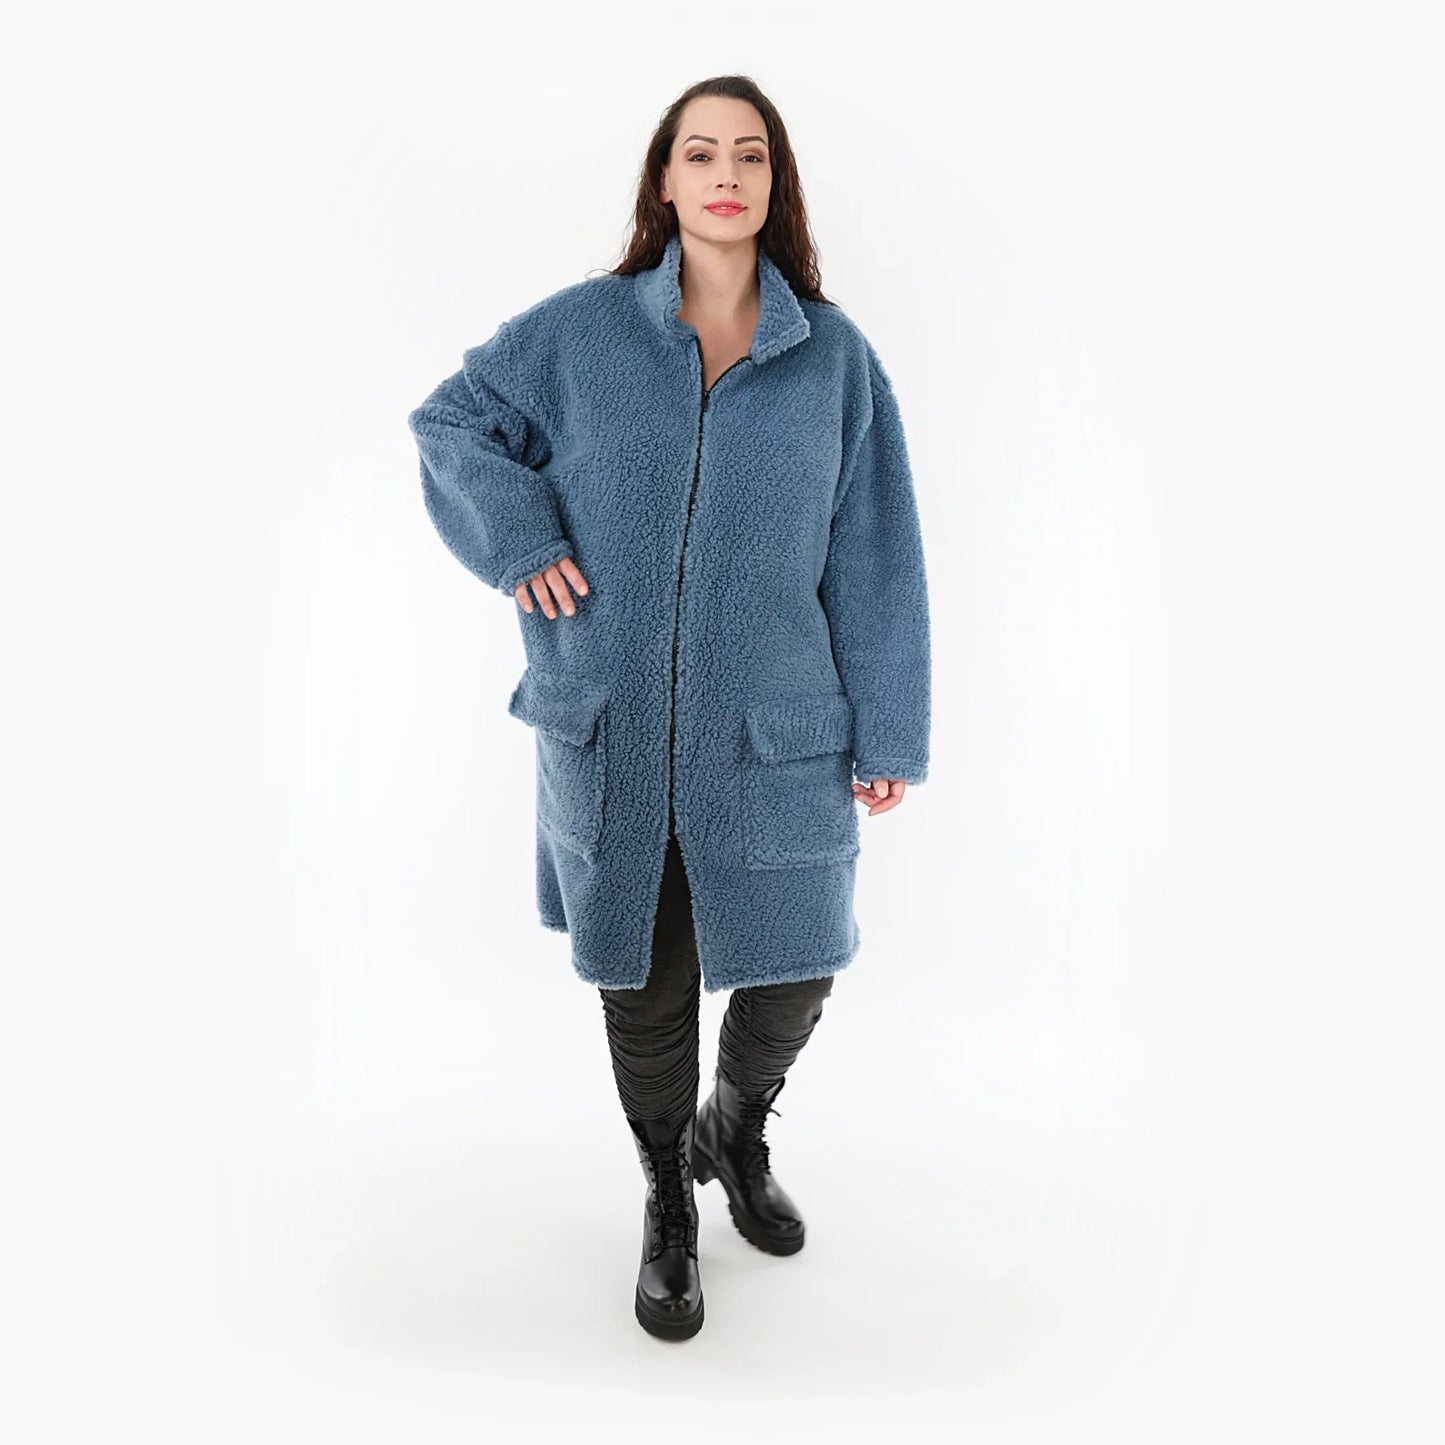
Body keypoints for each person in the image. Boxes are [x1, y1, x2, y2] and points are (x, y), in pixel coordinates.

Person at [408, 75, 931, 1342]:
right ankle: (663, 1192)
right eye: (700, 153)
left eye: (748, 155)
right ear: (664, 178)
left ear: (773, 181)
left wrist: (887, 727)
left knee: (795, 968)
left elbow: (874, 554)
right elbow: (450, 423)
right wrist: (522, 535)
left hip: (776, 734)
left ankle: (731, 1130)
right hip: (614, 726)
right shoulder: (580, 333)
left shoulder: (833, 360)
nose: (724, 175)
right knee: (644, 984)